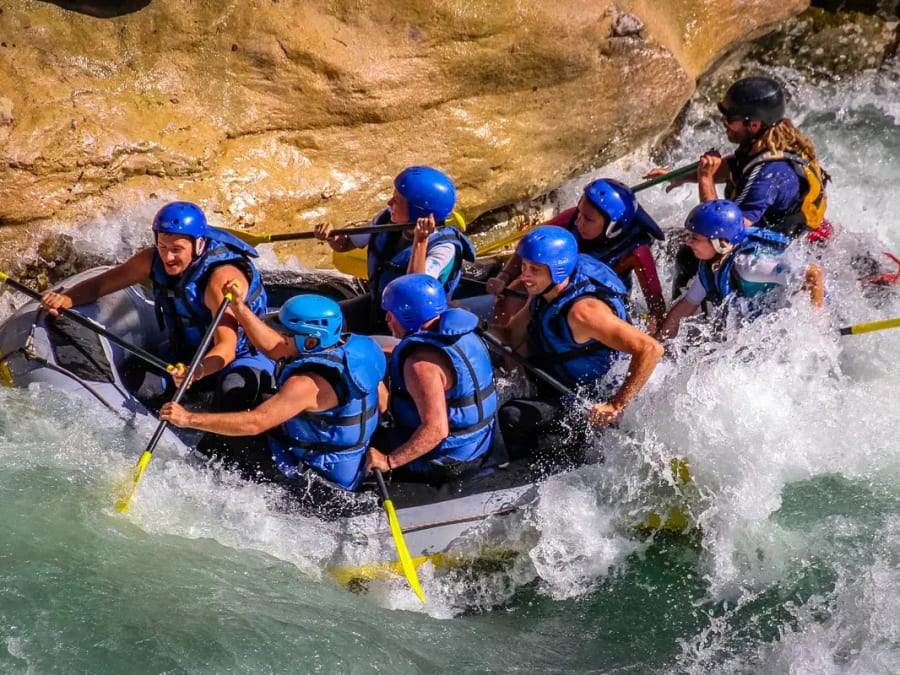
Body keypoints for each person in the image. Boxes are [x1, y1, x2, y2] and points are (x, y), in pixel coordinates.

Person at [160, 287, 388, 510]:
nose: (279, 337)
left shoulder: (306, 385)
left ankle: (206, 475)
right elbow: (383, 403)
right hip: (349, 463)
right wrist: (239, 307)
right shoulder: (362, 348)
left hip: (319, 483)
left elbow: (254, 424)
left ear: (310, 341)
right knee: (259, 402)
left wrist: (188, 419)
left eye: (285, 334)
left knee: (231, 423)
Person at [41, 201, 273, 413]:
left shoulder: (219, 281)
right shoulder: (151, 259)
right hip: (186, 354)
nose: (168, 257)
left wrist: (197, 371)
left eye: (176, 249)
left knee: (232, 393)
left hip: (239, 358)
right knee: (137, 383)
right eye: (162, 247)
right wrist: (67, 300)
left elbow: (226, 348)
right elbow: (102, 284)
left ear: (198, 245)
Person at [493, 226, 664, 464]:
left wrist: (616, 405)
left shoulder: (583, 313)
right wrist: (470, 322)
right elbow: (510, 336)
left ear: (558, 270)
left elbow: (651, 349)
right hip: (560, 383)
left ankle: (529, 471)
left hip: (588, 400)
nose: (524, 276)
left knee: (513, 415)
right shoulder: (545, 290)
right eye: (523, 266)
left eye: (534, 269)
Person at [647, 76, 830, 296]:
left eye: (730, 119)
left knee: (689, 253)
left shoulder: (769, 175)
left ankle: (683, 317)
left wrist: (705, 177)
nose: (724, 124)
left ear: (754, 124)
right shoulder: (763, 144)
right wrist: (685, 176)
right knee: (670, 239)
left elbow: (718, 230)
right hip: (770, 232)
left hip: (766, 252)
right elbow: (734, 167)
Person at [365, 274, 498, 484]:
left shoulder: (419, 365)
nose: (387, 319)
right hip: (479, 444)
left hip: (444, 462)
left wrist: (388, 461)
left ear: (407, 314)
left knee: (360, 439)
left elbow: (436, 430)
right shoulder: (463, 334)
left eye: (391, 314)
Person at [486, 178, 666, 330]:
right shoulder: (570, 218)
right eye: (580, 212)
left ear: (614, 227)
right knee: (513, 292)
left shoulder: (636, 251)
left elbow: (656, 305)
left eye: (588, 219)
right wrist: (504, 276)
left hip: (597, 299)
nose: (579, 222)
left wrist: (652, 324)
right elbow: (532, 244)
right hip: (557, 286)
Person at [314, 166, 476, 334]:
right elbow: (345, 245)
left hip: (411, 324)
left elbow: (413, 293)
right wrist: (331, 237)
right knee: (319, 320)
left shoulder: (444, 248)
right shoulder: (387, 219)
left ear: (418, 211)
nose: (389, 203)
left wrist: (420, 241)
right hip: (379, 306)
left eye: (397, 201)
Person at [656, 200, 824, 340]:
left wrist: (814, 329)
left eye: (695, 238)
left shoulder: (749, 265)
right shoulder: (711, 266)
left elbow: (812, 274)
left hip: (786, 324)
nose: (688, 242)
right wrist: (660, 341)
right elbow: (687, 305)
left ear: (721, 243)